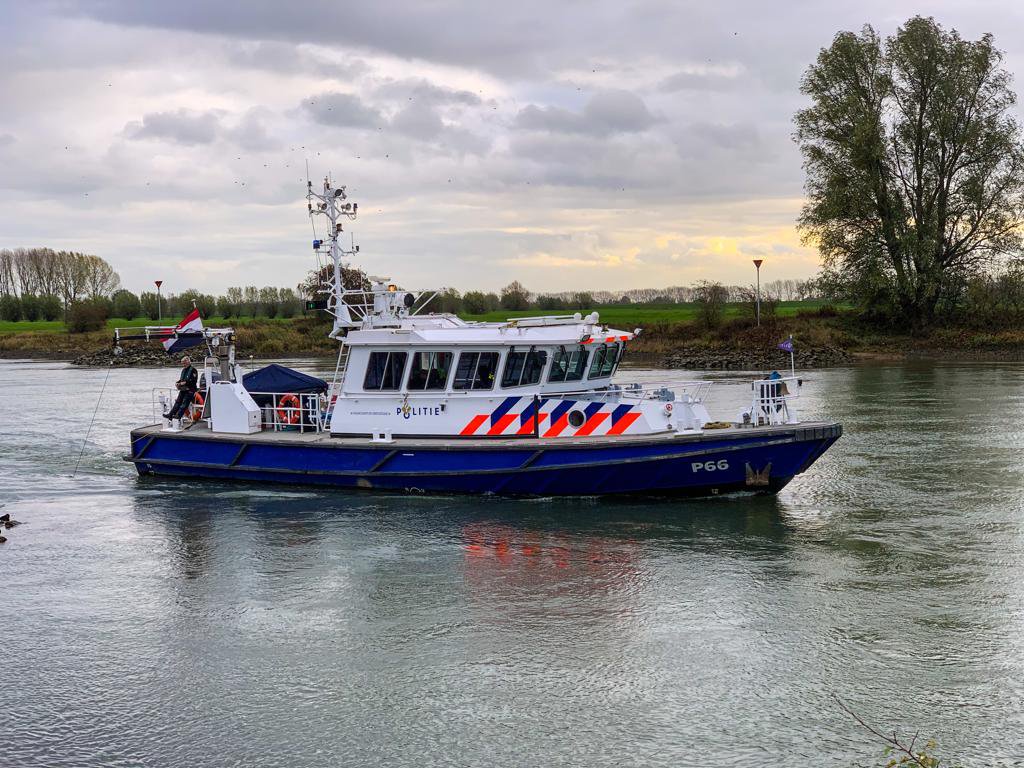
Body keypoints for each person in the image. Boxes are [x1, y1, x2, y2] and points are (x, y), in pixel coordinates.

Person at [164, 355, 199, 420]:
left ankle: (178, 415)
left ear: (188, 362)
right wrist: (177, 383)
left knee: (184, 403)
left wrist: (185, 382)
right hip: (183, 389)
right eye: (182, 363)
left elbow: (194, 380)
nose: (183, 364)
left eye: (184, 363)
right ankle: (170, 415)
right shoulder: (184, 370)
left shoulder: (193, 370)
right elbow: (181, 379)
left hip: (190, 390)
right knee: (177, 402)